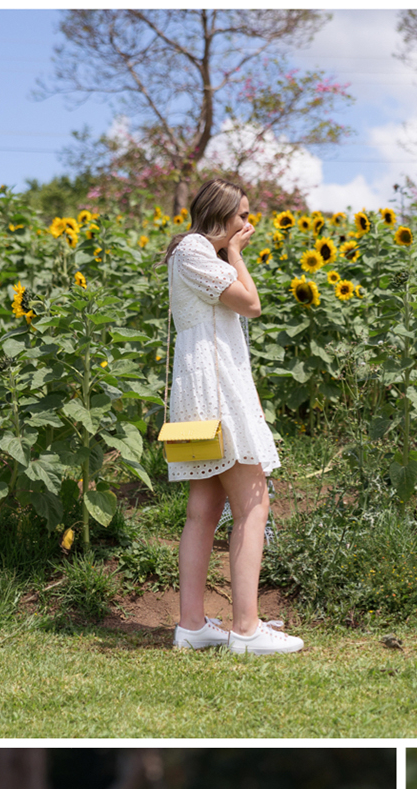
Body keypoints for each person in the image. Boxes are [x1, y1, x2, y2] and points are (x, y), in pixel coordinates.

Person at [163, 179, 300, 655]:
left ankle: (193, 625)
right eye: (241, 215)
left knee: (203, 511)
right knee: (253, 503)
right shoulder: (197, 250)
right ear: (220, 214)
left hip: (199, 394)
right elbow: (252, 304)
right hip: (215, 395)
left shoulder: (195, 254)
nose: (248, 224)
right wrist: (237, 254)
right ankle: (245, 629)